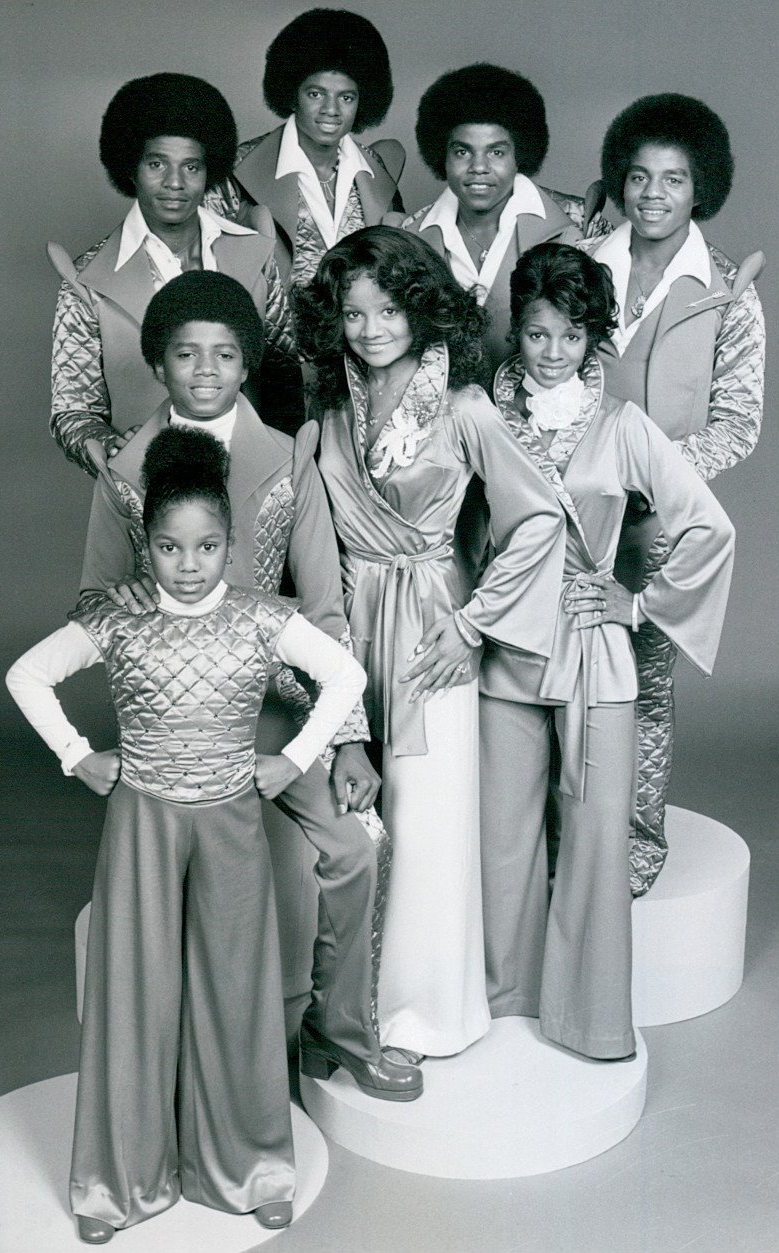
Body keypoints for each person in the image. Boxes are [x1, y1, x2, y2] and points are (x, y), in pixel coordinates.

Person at [6, 425, 368, 1242]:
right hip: (141, 820)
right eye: (170, 547)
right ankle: (115, 1181)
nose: (190, 563)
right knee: (132, 988)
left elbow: (345, 672)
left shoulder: (260, 617)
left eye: (207, 545)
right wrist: (77, 755)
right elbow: (24, 674)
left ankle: (251, 1165)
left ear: (231, 544)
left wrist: (294, 757)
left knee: (236, 990)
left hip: (232, 819)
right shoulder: (119, 618)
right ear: (148, 546)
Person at [78, 270, 422, 1106]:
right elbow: (91, 602)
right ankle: (184, 1065)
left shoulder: (287, 456)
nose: (205, 371)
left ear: (247, 361)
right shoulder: (124, 473)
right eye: (186, 354)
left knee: (356, 843)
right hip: (173, 720)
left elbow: (326, 608)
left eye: (225, 354)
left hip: (275, 705)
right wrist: (126, 620)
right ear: (157, 363)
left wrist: (345, 738)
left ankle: (337, 1032)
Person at [293, 226, 567, 1058]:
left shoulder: (465, 406)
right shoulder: (328, 410)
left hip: (431, 628)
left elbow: (539, 519)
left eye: (389, 308)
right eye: (352, 312)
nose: (371, 327)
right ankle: (344, 1003)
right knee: (356, 811)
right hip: (346, 623)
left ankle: (418, 1014)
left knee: (426, 819)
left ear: (423, 307)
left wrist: (473, 626)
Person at [483, 242, 734, 1059]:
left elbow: (708, 526)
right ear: (515, 331)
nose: (551, 352)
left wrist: (639, 600)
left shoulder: (625, 427)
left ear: (596, 338)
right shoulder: (479, 415)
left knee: (595, 841)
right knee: (503, 840)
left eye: (570, 335)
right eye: (535, 333)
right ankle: (500, 1007)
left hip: (595, 648)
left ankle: (589, 1021)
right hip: (506, 652)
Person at [580, 94, 765, 894]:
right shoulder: (578, 261)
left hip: (659, 523)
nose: (653, 194)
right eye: (639, 176)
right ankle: (570, 835)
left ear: (703, 188)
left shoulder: (730, 290)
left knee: (646, 684)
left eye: (675, 179)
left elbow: (739, 421)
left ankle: (638, 842)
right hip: (569, 512)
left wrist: (650, 470)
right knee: (565, 672)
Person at [50, 71, 302, 474]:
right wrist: (110, 448)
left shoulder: (255, 252)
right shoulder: (87, 280)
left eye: (191, 167)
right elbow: (73, 410)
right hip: (150, 492)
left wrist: (289, 470)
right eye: (156, 164)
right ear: (130, 168)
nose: (174, 183)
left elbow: (285, 377)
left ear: (209, 172)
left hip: (255, 479)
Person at [385, 63, 607, 388]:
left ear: (520, 155)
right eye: (463, 151)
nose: (478, 167)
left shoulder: (577, 225)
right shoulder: (408, 237)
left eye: (496, 152)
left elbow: (595, 353)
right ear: (441, 156)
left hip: (540, 427)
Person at [205, 8, 405, 287]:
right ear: (292, 93)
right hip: (271, 330)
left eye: (346, 97)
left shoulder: (375, 169)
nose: (331, 110)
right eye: (316, 94)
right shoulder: (236, 170)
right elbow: (208, 274)